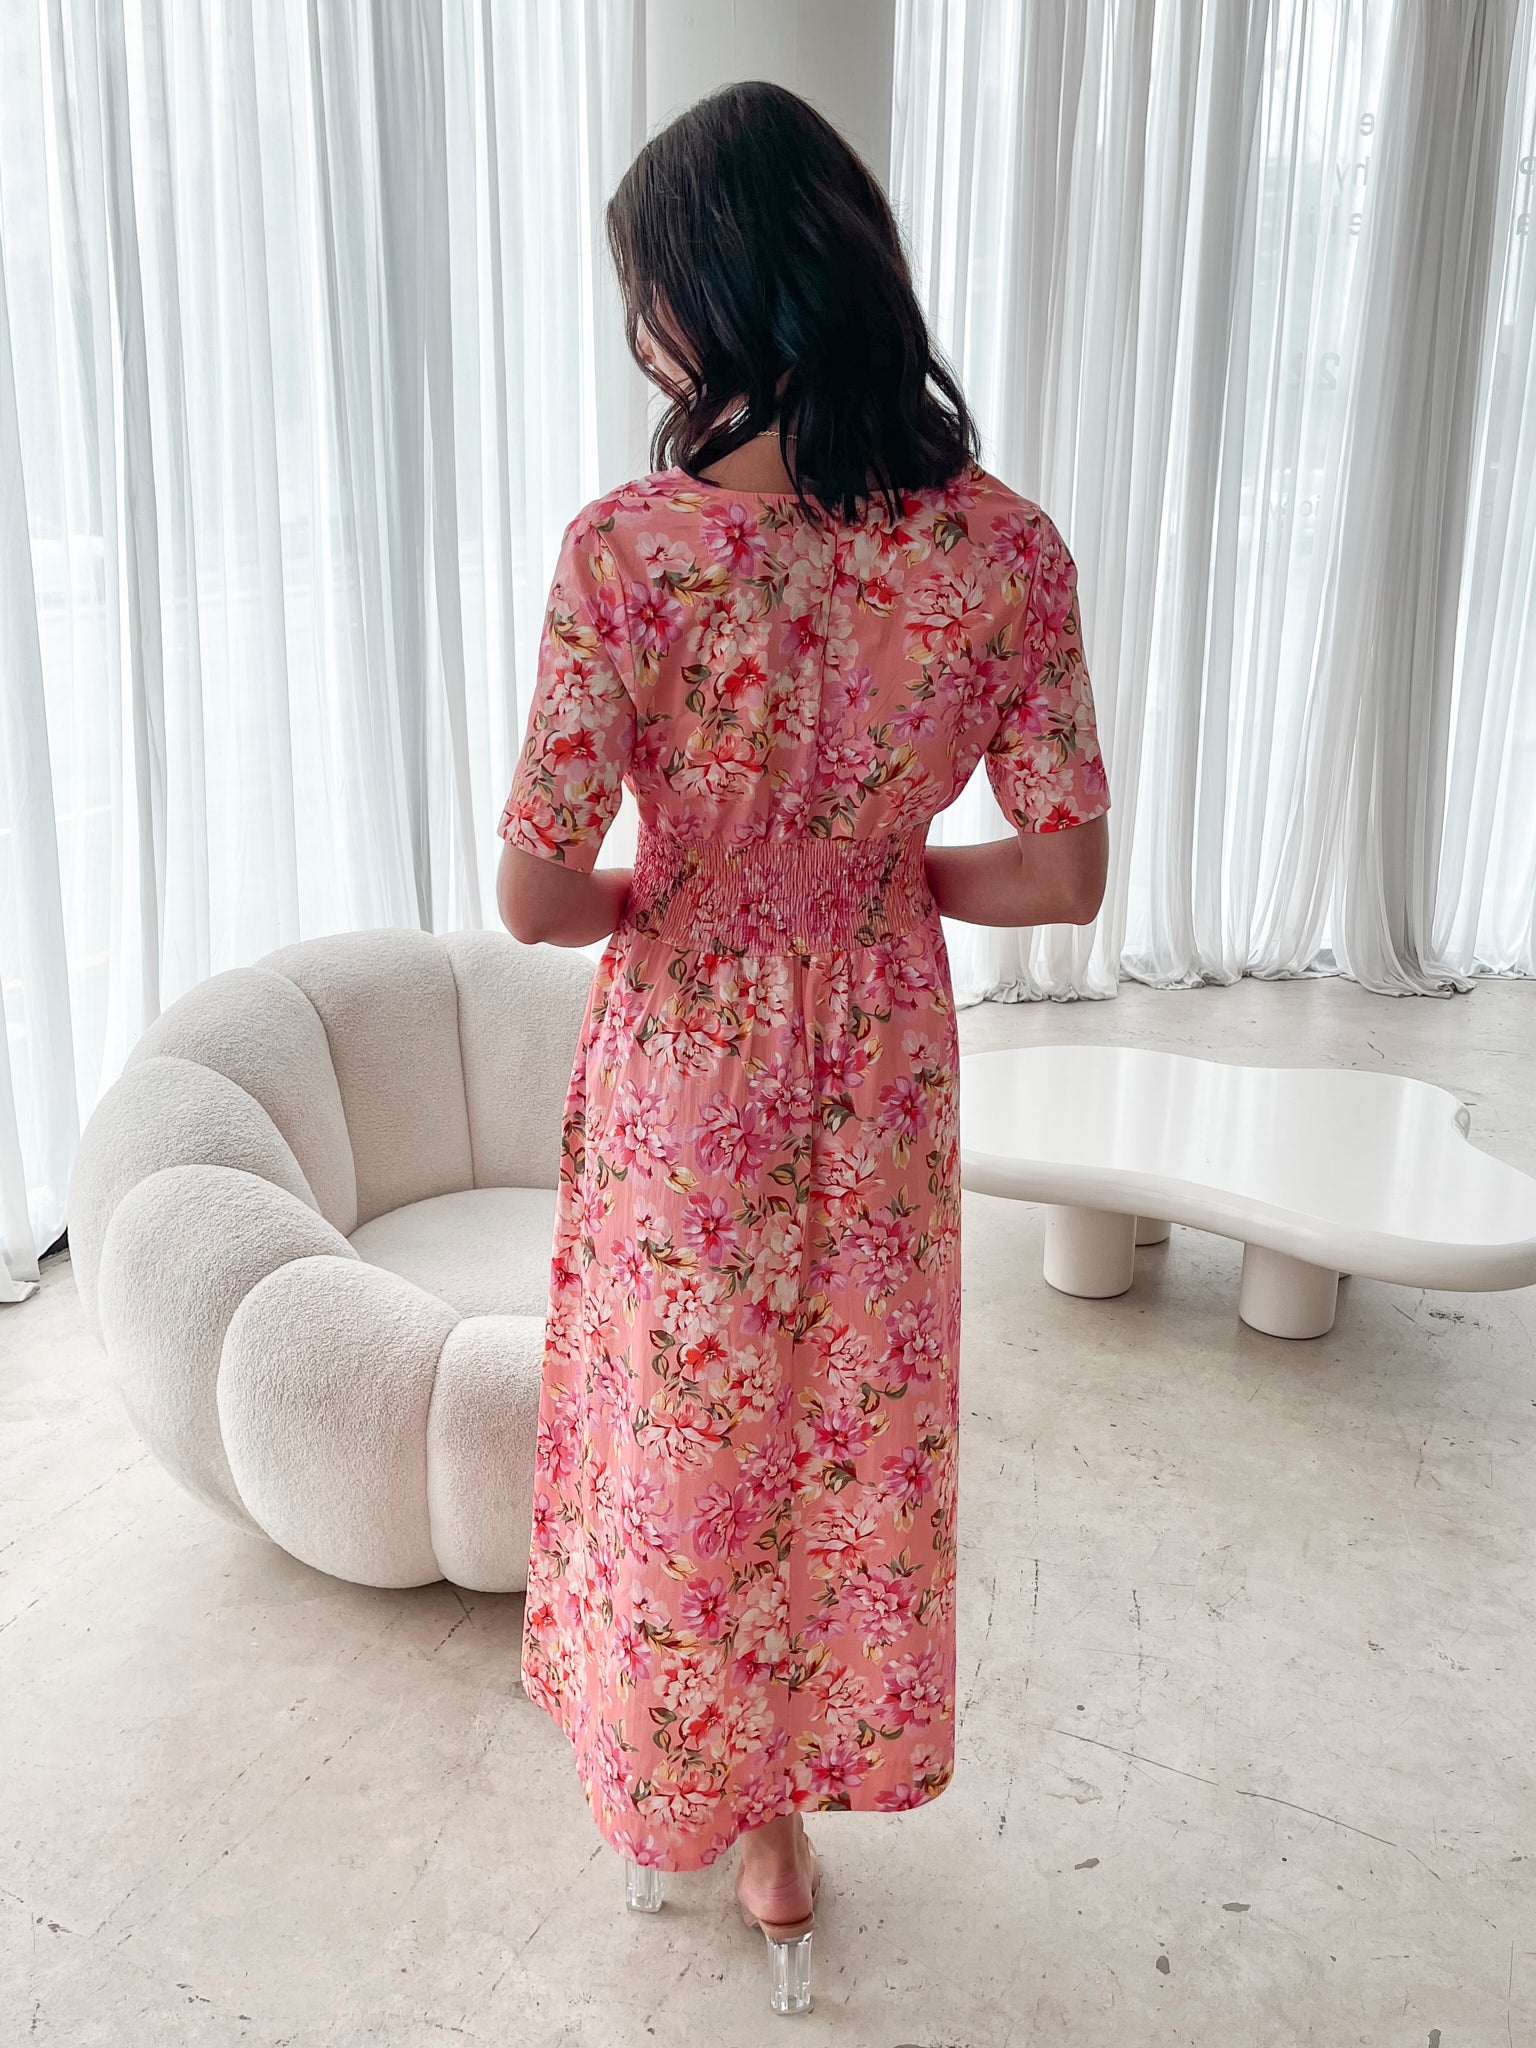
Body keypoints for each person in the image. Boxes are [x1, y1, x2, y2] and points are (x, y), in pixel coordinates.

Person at [495, 79, 1109, 2017]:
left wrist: (674, 898)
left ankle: (686, 1789)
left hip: (689, 1035)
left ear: (704, 300)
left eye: (648, 297)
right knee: (844, 1423)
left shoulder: (631, 555)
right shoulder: (1004, 552)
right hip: (881, 1044)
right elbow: (1068, 869)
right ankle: (782, 1816)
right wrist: (885, 878)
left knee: (684, 1429)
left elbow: (532, 897)